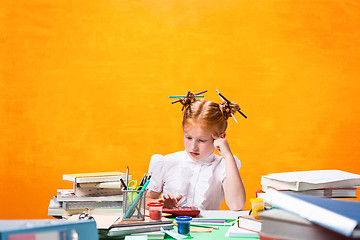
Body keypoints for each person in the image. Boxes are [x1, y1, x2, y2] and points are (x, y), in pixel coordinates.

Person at [145, 91, 246, 210]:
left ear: (220, 137)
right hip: (172, 227)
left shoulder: (223, 166)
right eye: (188, 138)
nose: (193, 147)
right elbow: (147, 199)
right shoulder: (166, 162)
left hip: (209, 228)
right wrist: (162, 205)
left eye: (202, 140)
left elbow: (236, 205)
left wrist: (228, 156)